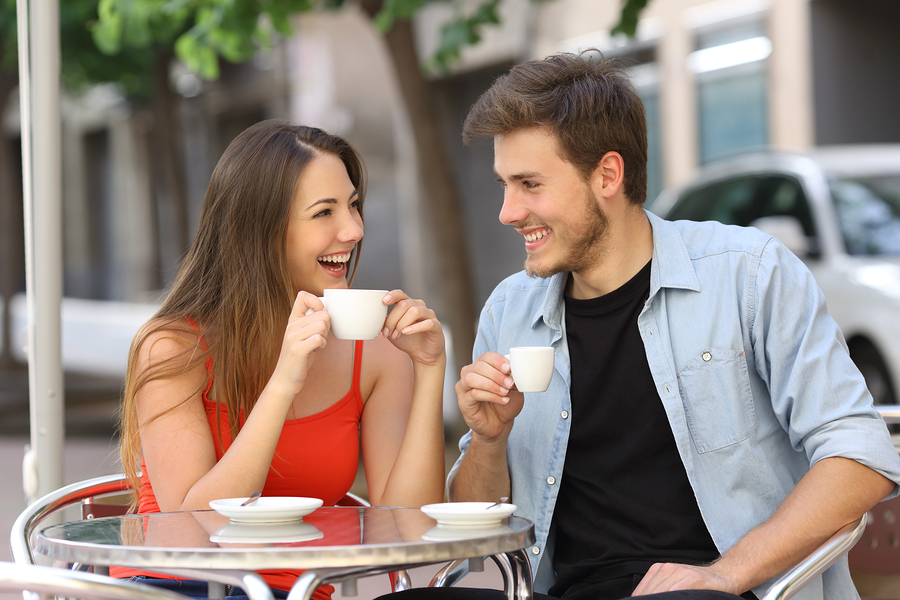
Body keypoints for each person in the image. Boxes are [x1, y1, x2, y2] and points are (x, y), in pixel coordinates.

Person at [441, 50, 900, 600]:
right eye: (504, 185)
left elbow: (859, 454)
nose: (508, 211)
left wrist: (726, 573)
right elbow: (476, 531)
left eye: (529, 184)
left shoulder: (750, 275)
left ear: (607, 174)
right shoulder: (509, 311)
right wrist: (489, 441)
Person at [110, 120, 447, 600]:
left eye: (352, 205)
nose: (354, 229)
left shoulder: (376, 355)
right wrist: (284, 382)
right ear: (262, 230)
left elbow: (407, 531)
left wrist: (430, 370)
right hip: (177, 585)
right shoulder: (172, 347)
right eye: (323, 212)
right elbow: (194, 526)